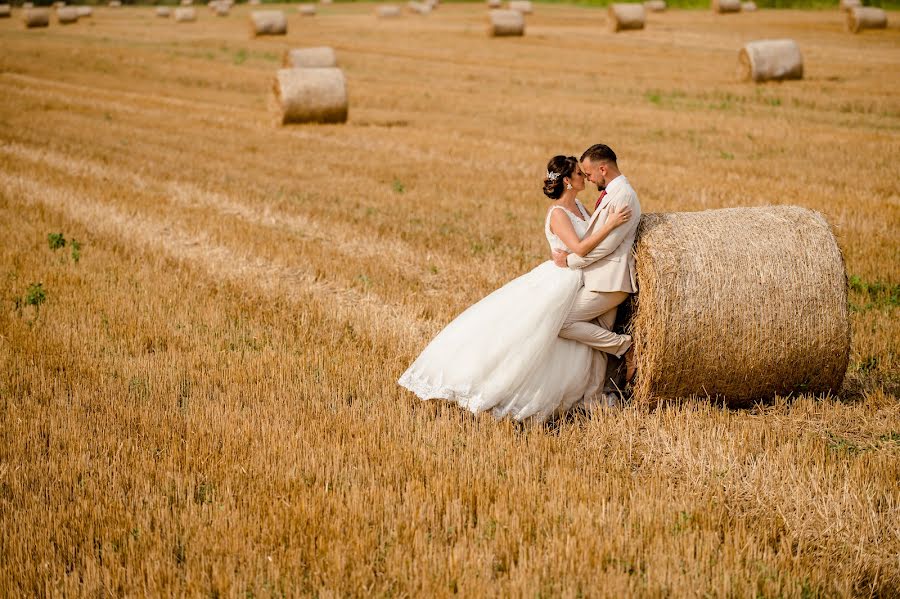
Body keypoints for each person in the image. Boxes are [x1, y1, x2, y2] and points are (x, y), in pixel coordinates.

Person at [397, 155, 633, 422]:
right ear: (567, 181)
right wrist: (611, 225)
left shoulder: (579, 205)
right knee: (543, 332)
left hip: (580, 277)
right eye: (580, 174)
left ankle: (589, 390)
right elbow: (580, 247)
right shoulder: (558, 214)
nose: (585, 177)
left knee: (571, 332)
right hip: (562, 279)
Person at [552, 144, 642, 385]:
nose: (589, 179)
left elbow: (606, 246)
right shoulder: (615, 193)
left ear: (603, 169)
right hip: (602, 278)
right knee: (598, 345)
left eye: (589, 174)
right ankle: (594, 398)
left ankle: (625, 345)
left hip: (610, 280)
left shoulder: (622, 195)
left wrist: (569, 260)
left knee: (561, 321)